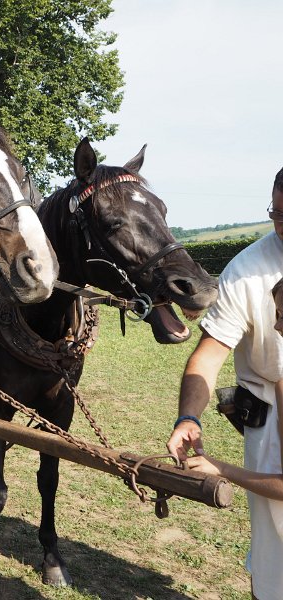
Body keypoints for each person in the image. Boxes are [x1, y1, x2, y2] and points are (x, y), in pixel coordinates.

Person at [167, 167, 283, 600]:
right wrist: (188, 416)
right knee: (274, 547)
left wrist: (223, 469)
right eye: (278, 214)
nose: (282, 226)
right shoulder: (249, 269)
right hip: (270, 421)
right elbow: (210, 354)